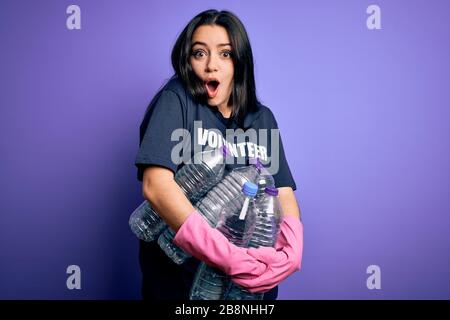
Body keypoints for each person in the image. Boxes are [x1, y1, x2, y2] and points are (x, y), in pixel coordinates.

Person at [134, 9, 303, 300]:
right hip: (181, 286)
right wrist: (223, 254)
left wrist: (292, 250)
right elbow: (156, 185)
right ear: (187, 60)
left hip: (246, 290)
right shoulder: (177, 99)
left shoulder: (262, 118)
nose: (211, 65)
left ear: (240, 62)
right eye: (199, 53)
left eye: (225, 54)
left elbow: (282, 193)